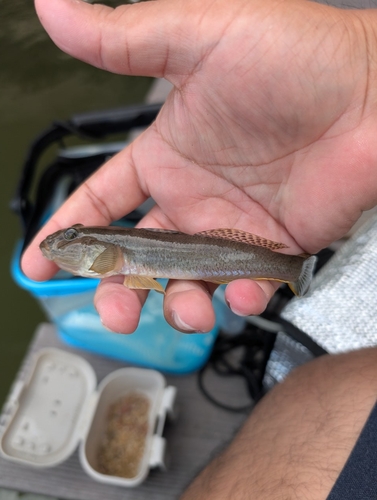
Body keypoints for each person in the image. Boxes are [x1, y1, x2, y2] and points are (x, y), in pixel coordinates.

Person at [22, 0, 377, 497]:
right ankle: (296, 270)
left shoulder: (121, 254)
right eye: (71, 247)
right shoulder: (122, 256)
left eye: (76, 247)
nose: (69, 251)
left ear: (100, 253)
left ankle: (298, 270)